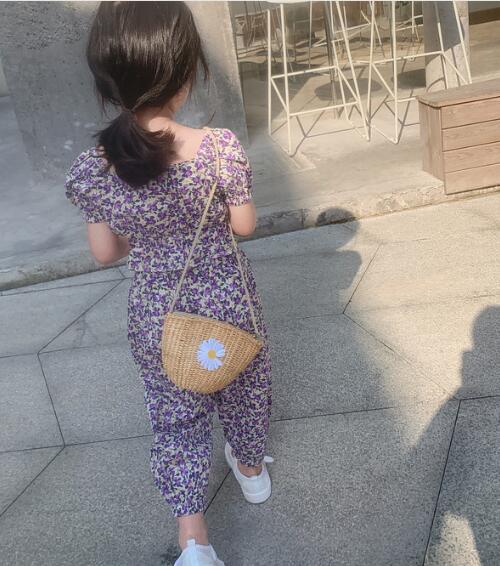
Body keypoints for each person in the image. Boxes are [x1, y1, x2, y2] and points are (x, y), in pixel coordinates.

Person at [64, 3, 272, 565]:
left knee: (175, 415)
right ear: (186, 72)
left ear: (106, 83)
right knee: (246, 387)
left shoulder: (93, 170)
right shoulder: (220, 148)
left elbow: (106, 252)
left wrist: (148, 231)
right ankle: (251, 470)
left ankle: (194, 539)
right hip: (229, 304)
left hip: (159, 317)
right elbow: (244, 226)